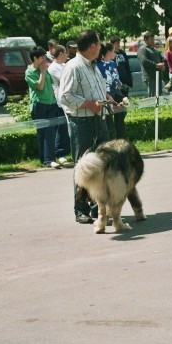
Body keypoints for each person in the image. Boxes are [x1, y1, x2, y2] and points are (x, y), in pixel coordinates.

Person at [59, 30, 120, 224]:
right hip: (82, 123)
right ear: (92, 46)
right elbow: (65, 96)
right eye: (99, 44)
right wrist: (89, 104)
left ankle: (98, 208)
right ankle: (81, 209)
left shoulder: (93, 66)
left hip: (99, 121)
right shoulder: (73, 67)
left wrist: (110, 102)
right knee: (84, 166)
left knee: (102, 165)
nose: (101, 47)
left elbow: (100, 92)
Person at [25, 46, 61, 170]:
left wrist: (54, 100)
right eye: (41, 57)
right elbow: (39, 87)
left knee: (50, 131)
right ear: (35, 58)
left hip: (51, 104)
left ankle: (49, 159)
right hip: (39, 105)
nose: (44, 59)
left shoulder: (45, 69)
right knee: (42, 133)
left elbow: (50, 86)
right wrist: (42, 72)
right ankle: (44, 159)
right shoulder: (29, 72)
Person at [96, 43, 127, 138]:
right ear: (108, 52)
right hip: (107, 94)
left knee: (121, 115)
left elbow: (116, 77)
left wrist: (120, 84)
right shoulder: (98, 65)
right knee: (109, 121)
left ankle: (121, 139)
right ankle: (110, 141)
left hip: (117, 93)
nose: (115, 53)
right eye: (113, 51)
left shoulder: (113, 63)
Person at [47, 44, 71, 164]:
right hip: (60, 102)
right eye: (65, 53)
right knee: (61, 129)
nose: (67, 55)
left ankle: (66, 151)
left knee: (67, 128)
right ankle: (60, 153)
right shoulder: (53, 68)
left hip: (68, 101)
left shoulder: (64, 65)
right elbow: (65, 79)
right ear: (60, 54)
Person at [137, 31, 165, 97]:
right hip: (149, 76)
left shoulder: (154, 49)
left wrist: (163, 64)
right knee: (152, 95)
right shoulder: (142, 49)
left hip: (158, 75)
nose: (153, 41)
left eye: (153, 39)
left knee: (159, 94)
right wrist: (156, 65)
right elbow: (144, 61)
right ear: (145, 40)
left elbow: (161, 58)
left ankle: (158, 107)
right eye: (151, 39)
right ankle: (152, 107)